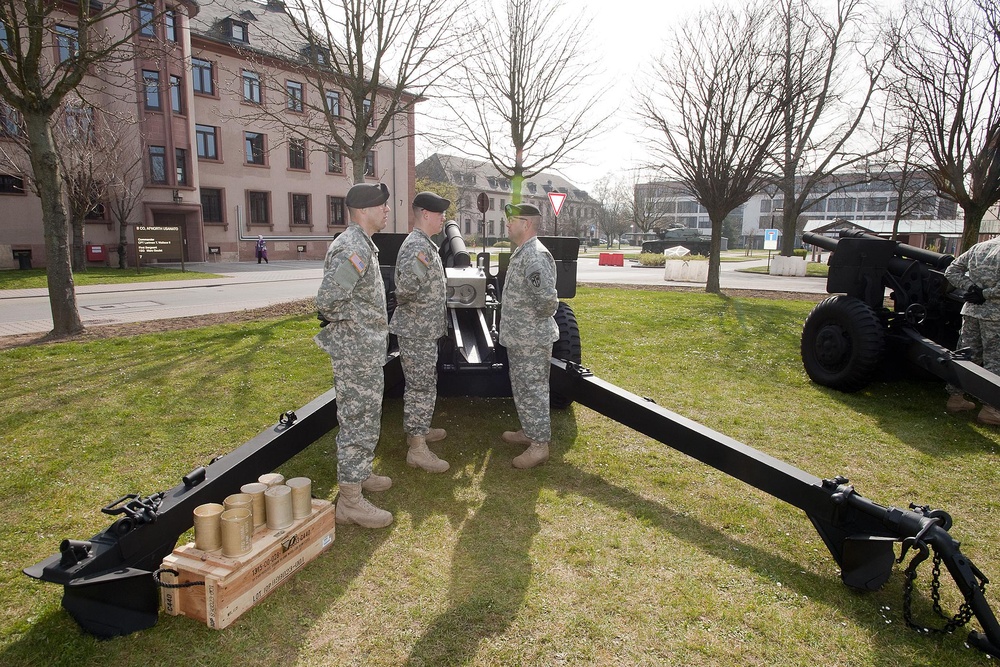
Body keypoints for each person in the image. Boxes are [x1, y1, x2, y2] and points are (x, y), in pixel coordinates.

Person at [314, 182, 393, 528]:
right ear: (363, 210)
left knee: (366, 417)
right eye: (382, 205)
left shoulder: (363, 245)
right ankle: (349, 502)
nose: (387, 210)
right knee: (356, 421)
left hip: (364, 351)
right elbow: (329, 302)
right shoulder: (352, 249)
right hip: (356, 353)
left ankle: (359, 475)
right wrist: (360, 326)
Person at [389, 191, 452, 473]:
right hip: (417, 331)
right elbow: (405, 290)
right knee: (420, 387)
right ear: (425, 214)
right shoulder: (418, 247)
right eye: (440, 214)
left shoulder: (425, 244)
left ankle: (420, 430)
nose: (444, 219)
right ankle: (417, 448)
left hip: (422, 329)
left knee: (424, 384)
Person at [499, 202, 559, 468]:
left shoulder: (534, 256)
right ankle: (529, 430)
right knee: (522, 387)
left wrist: (529, 324)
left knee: (533, 389)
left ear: (527, 224)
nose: (508, 224)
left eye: (512, 220)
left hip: (532, 339)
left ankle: (539, 445)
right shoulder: (523, 252)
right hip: (521, 337)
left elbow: (547, 301)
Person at [943, 236, 1000, 425]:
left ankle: (955, 398)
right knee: (995, 359)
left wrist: (972, 289)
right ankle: (991, 408)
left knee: (966, 355)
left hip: (972, 310)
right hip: (995, 314)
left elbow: (951, 271)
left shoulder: (980, 247)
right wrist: (984, 294)